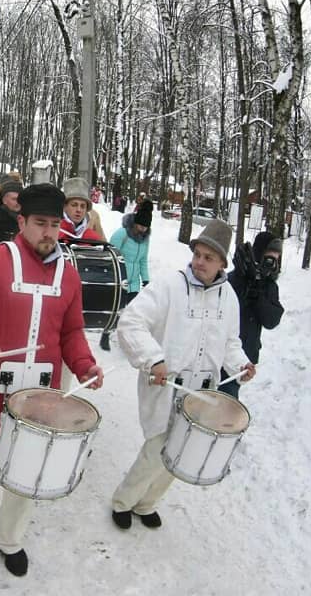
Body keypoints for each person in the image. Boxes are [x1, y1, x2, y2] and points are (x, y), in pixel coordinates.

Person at [0, 183, 104, 577]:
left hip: (41, 392)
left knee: (28, 466)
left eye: (54, 224)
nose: (48, 232)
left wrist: (84, 365)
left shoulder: (69, 274)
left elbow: (72, 331)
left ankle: (9, 538)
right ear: (22, 221)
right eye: (40, 223)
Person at [110, 219, 255, 531]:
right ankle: (123, 501)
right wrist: (154, 359)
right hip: (167, 387)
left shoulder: (228, 297)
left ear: (221, 264)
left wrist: (241, 365)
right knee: (155, 452)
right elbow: (131, 322)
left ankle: (147, 504)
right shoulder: (169, 286)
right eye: (198, 255)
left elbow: (231, 342)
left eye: (208, 258)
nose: (200, 262)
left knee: (180, 455)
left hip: (201, 394)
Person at [223, 231, 285, 399]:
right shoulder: (236, 277)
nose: (271, 264)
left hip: (244, 358)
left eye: (276, 259)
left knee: (227, 400)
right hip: (222, 351)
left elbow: (271, 320)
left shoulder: (270, 286)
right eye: (269, 258)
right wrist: (247, 282)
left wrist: (259, 296)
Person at [100, 200, 153, 351]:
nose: (143, 229)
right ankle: (106, 334)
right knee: (117, 310)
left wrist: (146, 279)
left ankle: (128, 341)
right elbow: (110, 255)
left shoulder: (145, 239)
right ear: (135, 222)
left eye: (146, 227)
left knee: (132, 314)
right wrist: (111, 275)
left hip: (134, 282)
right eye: (141, 226)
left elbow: (142, 260)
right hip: (120, 279)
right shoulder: (122, 234)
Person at [59, 177, 103, 245]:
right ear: (64, 206)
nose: (79, 210)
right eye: (74, 205)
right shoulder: (54, 231)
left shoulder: (92, 237)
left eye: (83, 206)